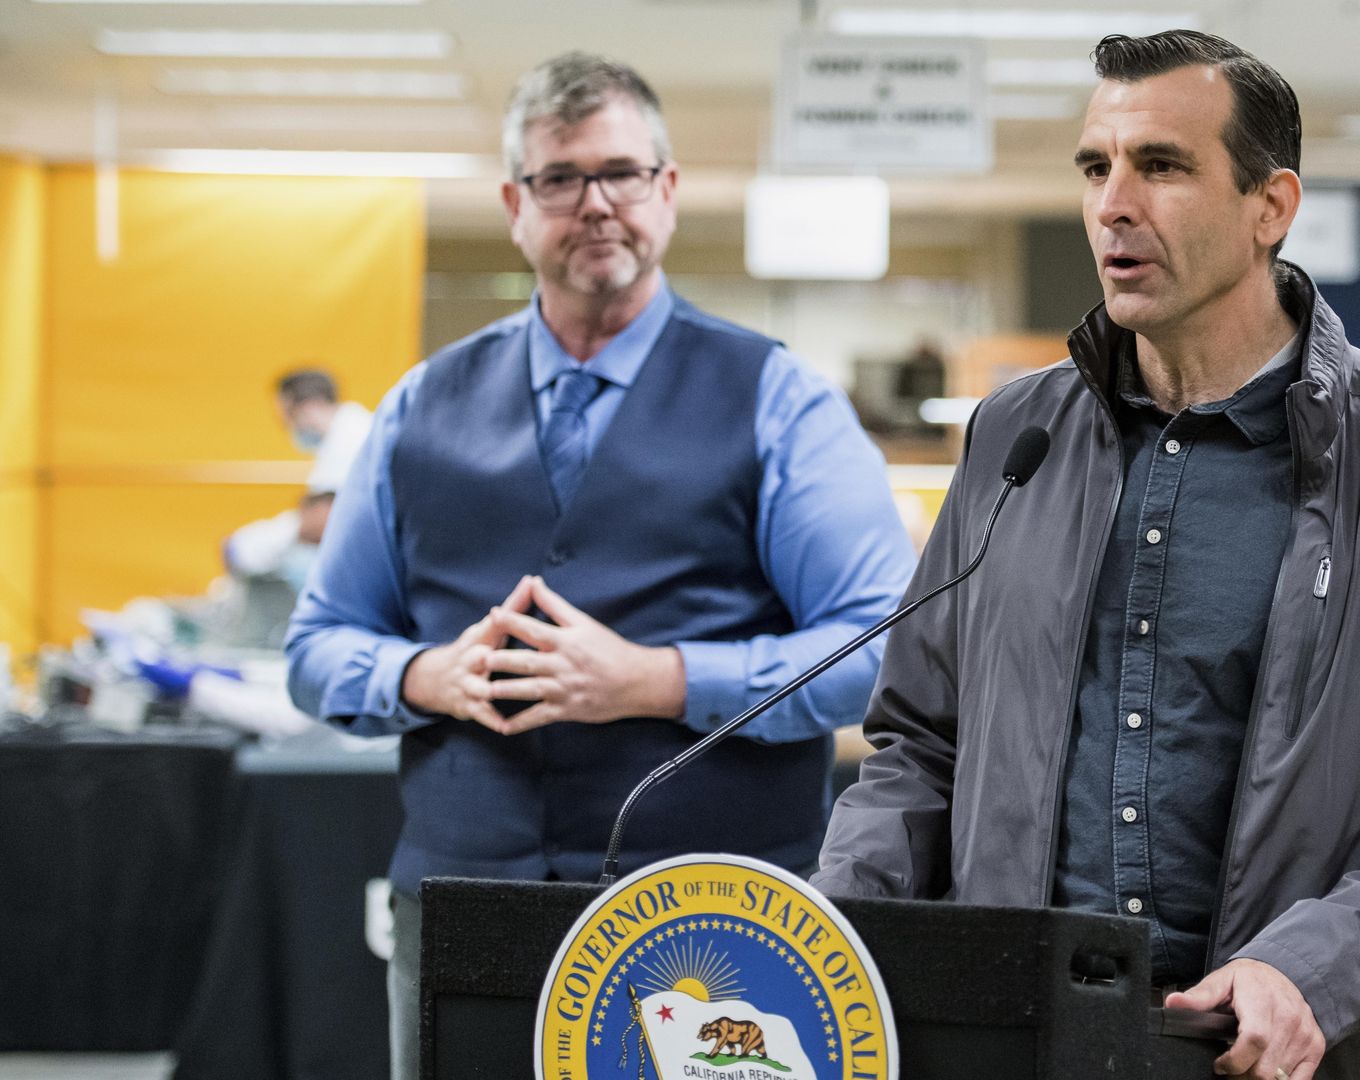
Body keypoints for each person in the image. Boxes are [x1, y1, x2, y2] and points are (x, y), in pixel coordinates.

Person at [813, 30, 1360, 1080]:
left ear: (1272, 207)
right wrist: (832, 935)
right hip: (1033, 1038)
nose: (1114, 204)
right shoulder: (1014, 439)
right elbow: (921, 746)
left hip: (1293, 1049)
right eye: (1095, 168)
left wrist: (1316, 967)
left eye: (1162, 166)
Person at [285, 52, 914, 1080]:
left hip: (716, 920)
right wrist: (422, 676)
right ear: (514, 205)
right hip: (466, 909)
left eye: (623, 173)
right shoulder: (416, 407)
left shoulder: (779, 400)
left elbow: (883, 646)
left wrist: (658, 680)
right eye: (562, 178)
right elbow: (316, 647)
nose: (597, 204)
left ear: (666, 191)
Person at [223, 368, 372, 583]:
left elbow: (323, 520)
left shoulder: (351, 439)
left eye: (287, 418)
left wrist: (256, 544)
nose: (288, 428)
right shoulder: (343, 436)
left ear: (309, 408)